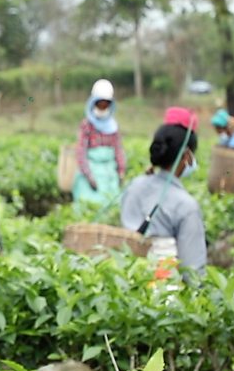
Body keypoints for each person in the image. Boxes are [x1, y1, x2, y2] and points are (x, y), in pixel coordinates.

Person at [120, 107, 207, 276]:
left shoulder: (134, 186)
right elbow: (193, 271)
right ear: (187, 156)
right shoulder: (185, 205)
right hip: (163, 292)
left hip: (128, 282)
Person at [73, 79, 126, 206]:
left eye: (105, 104)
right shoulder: (87, 125)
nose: (102, 107)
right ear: (93, 103)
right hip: (92, 172)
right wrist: (89, 176)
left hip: (109, 174)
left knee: (113, 205)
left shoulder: (113, 126)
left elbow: (118, 149)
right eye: (99, 104)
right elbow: (81, 151)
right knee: (90, 206)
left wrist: (120, 171)